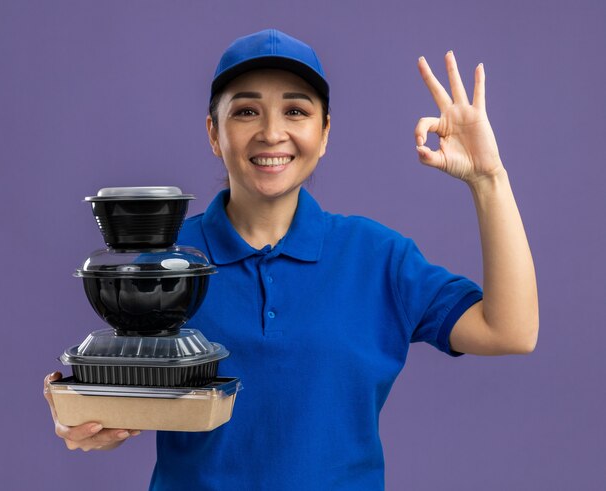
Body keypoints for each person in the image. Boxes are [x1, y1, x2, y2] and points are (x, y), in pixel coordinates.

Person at [44, 29, 538, 490]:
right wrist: (76, 413)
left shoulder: (378, 257)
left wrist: (488, 178)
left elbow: (510, 331)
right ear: (214, 133)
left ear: (324, 134)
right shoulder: (166, 265)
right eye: (246, 111)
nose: (272, 133)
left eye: (296, 111)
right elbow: (110, 387)